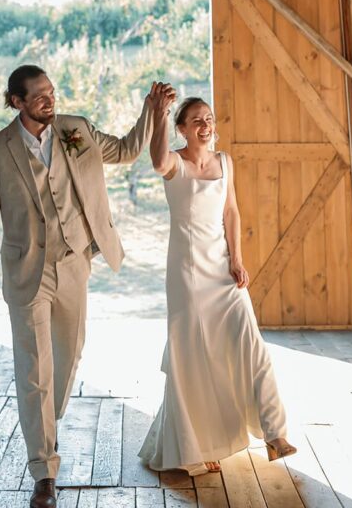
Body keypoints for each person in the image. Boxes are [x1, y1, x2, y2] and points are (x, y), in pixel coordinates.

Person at [0, 63, 172, 508]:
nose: (49, 99)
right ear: (16, 101)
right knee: (33, 370)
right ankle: (44, 470)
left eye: (51, 92)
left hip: (74, 263)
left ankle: (45, 421)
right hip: (27, 274)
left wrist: (152, 111)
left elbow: (124, 151)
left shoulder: (74, 130)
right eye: (38, 95)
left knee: (69, 353)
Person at [139, 93, 296, 476]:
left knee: (252, 345)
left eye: (208, 119)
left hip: (223, 271)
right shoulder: (175, 161)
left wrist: (237, 260)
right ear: (181, 129)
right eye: (196, 121)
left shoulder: (224, 162)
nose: (205, 126)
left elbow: (231, 211)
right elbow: (158, 161)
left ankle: (275, 433)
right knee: (194, 358)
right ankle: (196, 443)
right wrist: (158, 113)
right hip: (188, 274)